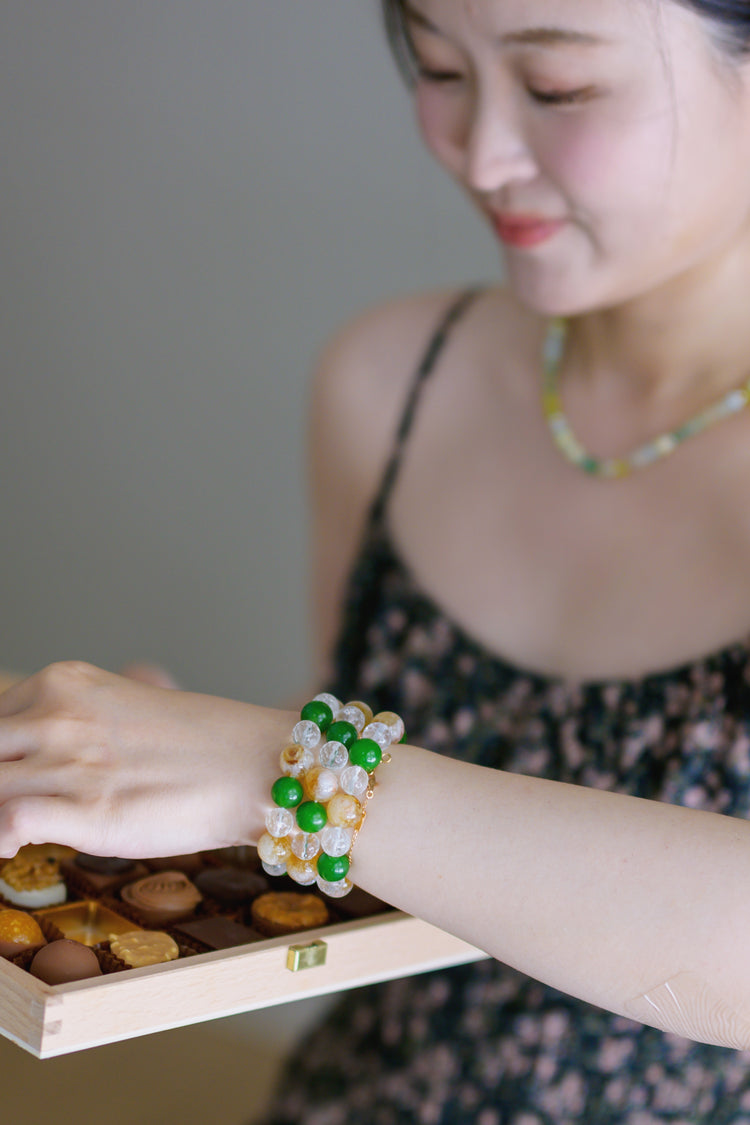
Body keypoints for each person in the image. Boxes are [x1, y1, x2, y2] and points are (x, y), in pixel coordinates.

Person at [4, 0, 750, 1119]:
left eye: (559, 88)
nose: (481, 150)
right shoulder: (394, 382)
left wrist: (267, 766)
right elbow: (404, 786)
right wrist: (170, 778)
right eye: (440, 68)